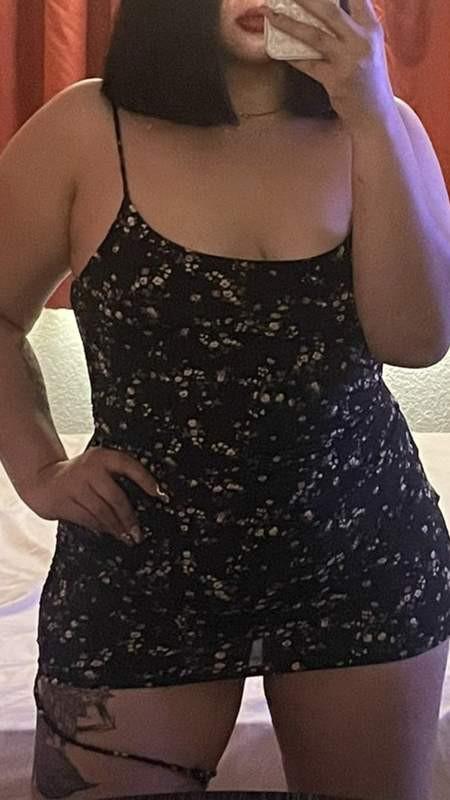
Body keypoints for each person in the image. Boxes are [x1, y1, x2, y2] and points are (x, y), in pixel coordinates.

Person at [0, 1, 449, 798]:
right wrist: (38, 469)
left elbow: (416, 340)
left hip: (362, 557)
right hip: (141, 561)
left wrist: (372, 114)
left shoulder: (384, 128)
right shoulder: (85, 128)